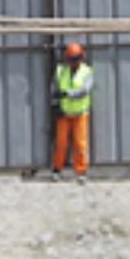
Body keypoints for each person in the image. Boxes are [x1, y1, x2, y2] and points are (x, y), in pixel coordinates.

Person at [50, 41, 94, 182]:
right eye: (71, 59)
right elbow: (54, 90)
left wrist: (67, 94)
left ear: (82, 58)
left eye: (76, 59)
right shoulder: (60, 71)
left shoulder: (87, 72)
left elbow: (84, 90)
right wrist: (56, 105)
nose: (74, 63)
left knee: (80, 143)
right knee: (61, 143)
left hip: (81, 113)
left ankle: (81, 172)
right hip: (64, 113)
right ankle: (57, 169)